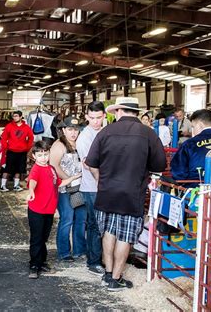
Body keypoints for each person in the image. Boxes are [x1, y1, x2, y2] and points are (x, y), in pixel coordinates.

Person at [85, 97, 166, 291]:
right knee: (125, 236)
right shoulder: (148, 134)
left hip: (106, 192)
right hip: (132, 194)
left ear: (120, 111)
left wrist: (99, 180)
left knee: (109, 232)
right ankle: (115, 279)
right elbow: (160, 165)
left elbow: (91, 162)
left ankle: (107, 274)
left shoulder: (105, 132)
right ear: (136, 112)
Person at [26, 141, 76, 279]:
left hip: (48, 210)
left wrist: (75, 177)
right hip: (37, 210)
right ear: (34, 156)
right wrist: (31, 191)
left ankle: (42, 262)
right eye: (40, 155)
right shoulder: (36, 169)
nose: (43, 157)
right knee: (37, 238)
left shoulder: (51, 169)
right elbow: (32, 182)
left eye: (45, 154)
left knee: (44, 238)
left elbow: (60, 183)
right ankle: (34, 265)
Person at [76, 101, 106, 276]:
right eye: (92, 118)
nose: (95, 121)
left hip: (105, 185)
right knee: (95, 224)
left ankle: (101, 257)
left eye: (99, 117)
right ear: (86, 117)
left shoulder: (105, 131)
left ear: (104, 116)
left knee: (104, 224)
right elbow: (89, 163)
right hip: (91, 186)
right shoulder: (85, 137)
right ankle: (93, 261)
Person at [49, 116, 84, 264]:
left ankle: (79, 250)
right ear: (63, 130)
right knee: (67, 219)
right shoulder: (59, 145)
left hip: (81, 187)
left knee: (81, 220)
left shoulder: (81, 143)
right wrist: (68, 180)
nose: (73, 133)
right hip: (64, 189)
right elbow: (54, 165)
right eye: (70, 129)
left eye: (76, 129)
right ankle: (64, 252)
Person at [171, 109, 211, 193]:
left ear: (200, 125)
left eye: (193, 127)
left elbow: (178, 172)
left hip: (194, 194)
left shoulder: (189, 144)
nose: (193, 130)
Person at [0, 110, 34, 192]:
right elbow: (4, 137)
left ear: (21, 117)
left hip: (22, 152)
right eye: (14, 116)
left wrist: (27, 148)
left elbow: (31, 138)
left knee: (19, 169)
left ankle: (16, 185)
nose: (15, 118)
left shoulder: (26, 127)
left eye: (16, 116)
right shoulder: (9, 126)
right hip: (11, 151)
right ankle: (2, 185)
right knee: (7, 169)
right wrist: (6, 147)